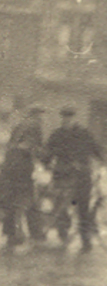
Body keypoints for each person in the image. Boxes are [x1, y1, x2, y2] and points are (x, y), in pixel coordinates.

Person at [42, 106, 103, 251]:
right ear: (61, 118)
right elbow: (48, 151)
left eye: (69, 117)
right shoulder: (57, 134)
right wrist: (46, 163)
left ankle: (86, 242)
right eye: (64, 117)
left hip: (82, 174)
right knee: (61, 204)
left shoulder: (83, 133)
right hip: (63, 174)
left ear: (74, 118)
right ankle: (63, 232)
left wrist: (102, 162)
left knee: (83, 207)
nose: (67, 120)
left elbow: (95, 148)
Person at [0, 105, 46, 246]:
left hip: (9, 170)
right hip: (22, 172)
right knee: (29, 202)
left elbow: (11, 147)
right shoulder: (34, 127)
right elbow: (36, 149)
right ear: (36, 115)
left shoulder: (19, 126)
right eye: (40, 115)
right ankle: (34, 234)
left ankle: (12, 235)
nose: (41, 118)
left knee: (11, 203)